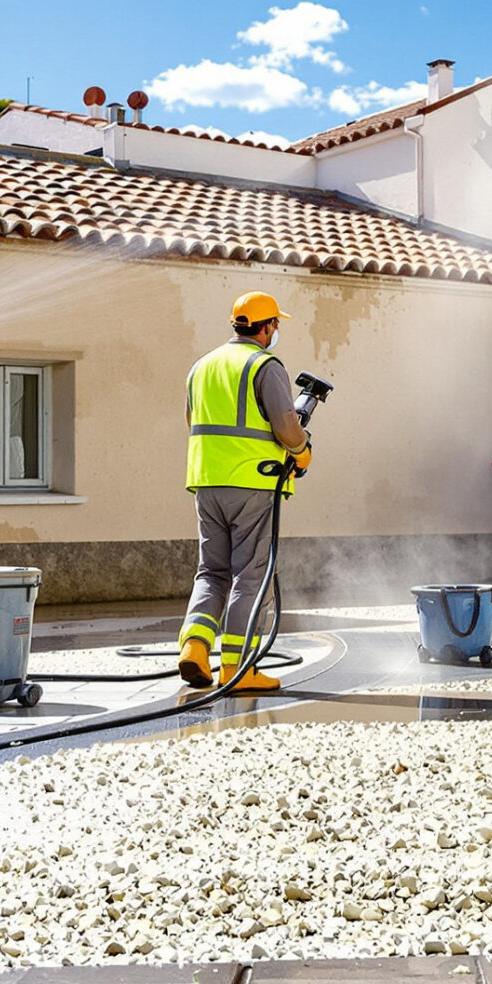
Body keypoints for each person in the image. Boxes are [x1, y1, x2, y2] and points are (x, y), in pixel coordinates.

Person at [177, 290, 312, 691]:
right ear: (267, 326)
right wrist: (302, 451)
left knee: (212, 572)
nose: (276, 331)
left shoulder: (202, 366)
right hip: (252, 483)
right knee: (251, 574)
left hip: (206, 482)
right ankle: (239, 670)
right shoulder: (265, 366)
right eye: (276, 324)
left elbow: (193, 420)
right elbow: (287, 425)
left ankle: (195, 648)